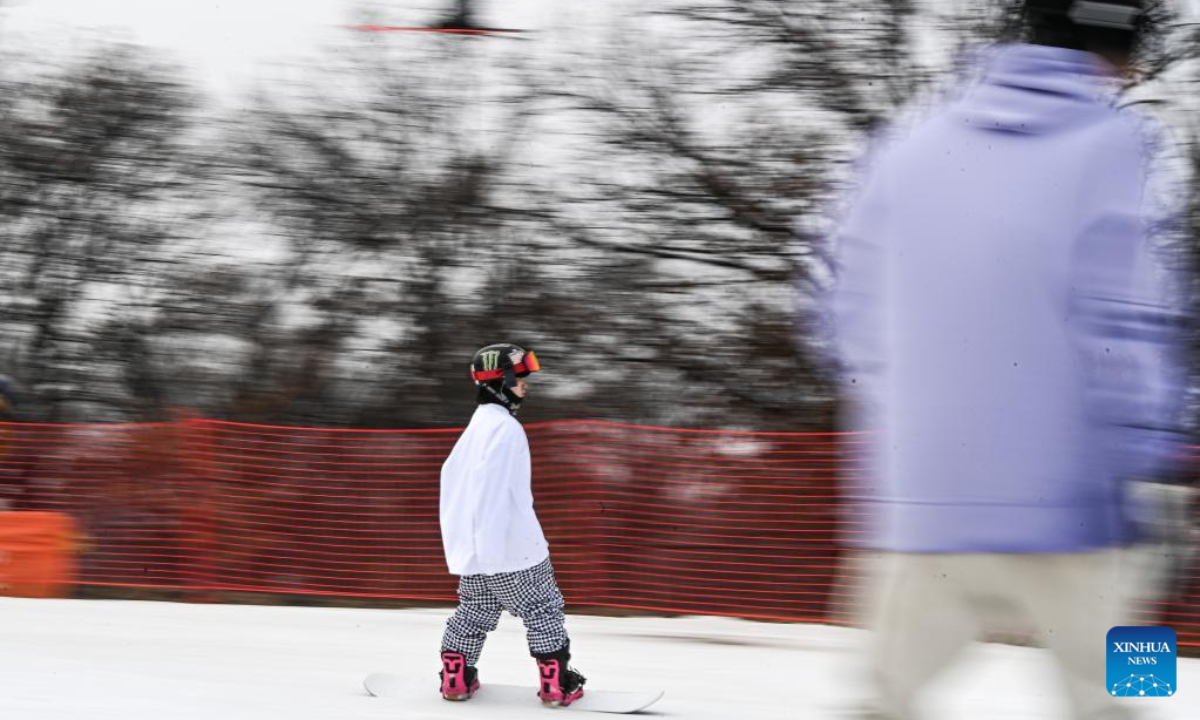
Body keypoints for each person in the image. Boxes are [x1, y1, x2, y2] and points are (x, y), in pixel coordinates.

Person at [824, 1, 1191, 718]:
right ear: (1119, 52)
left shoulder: (912, 140)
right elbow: (1126, 314)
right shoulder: (1117, 143)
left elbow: (843, 302)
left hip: (923, 500)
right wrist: (1150, 451)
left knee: (883, 701)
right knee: (1122, 690)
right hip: (1078, 505)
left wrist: (912, 415)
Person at [437, 343, 586, 706]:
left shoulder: (475, 429)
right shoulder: (506, 429)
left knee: (473, 612)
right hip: (512, 549)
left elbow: (453, 484)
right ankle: (556, 685)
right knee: (542, 609)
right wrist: (494, 552)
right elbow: (492, 492)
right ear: (499, 380)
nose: (525, 383)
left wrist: (472, 551)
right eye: (519, 376)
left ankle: (456, 678)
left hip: (474, 552)